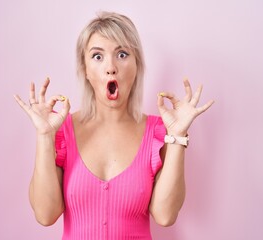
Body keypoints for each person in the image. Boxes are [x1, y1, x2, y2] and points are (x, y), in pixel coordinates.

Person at [14, 11, 214, 240]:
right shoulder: (61, 131)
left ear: (137, 65)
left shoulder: (159, 133)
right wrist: (44, 135)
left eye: (122, 54)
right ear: (86, 70)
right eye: (97, 57)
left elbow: (165, 215)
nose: (111, 67)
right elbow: (45, 214)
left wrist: (178, 136)